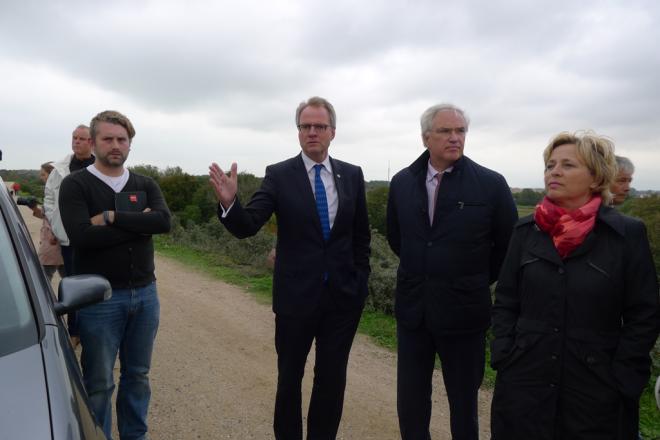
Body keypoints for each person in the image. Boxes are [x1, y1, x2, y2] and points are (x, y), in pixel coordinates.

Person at [209, 96, 371, 440]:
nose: (312, 132)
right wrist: (229, 203)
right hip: (296, 298)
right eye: (305, 126)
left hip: (342, 299)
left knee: (331, 379)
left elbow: (361, 237)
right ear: (298, 132)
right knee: (289, 379)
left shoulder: (352, 175)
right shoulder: (280, 175)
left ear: (333, 132)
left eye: (319, 126)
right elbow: (248, 224)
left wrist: (360, 282)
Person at [490, 131, 660, 439]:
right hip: (525, 379)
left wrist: (625, 375)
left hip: (596, 387)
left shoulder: (625, 235)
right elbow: (506, 298)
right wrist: (504, 352)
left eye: (568, 165)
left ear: (596, 178)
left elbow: (644, 314)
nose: (554, 171)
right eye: (550, 165)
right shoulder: (526, 231)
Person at [386, 103, 517, 439]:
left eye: (460, 131)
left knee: (463, 403)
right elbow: (397, 237)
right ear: (426, 137)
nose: (455, 138)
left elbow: (507, 247)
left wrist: (468, 280)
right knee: (411, 401)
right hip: (414, 311)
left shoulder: (490, 184)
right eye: (446, 131)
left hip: (464, 313)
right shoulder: (402, 183)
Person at [59, 110, 171, 440]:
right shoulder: (75, 185)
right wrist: (140, 226)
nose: (115, 145)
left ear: (130, 144)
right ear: (93, 143)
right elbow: (81, 236)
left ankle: (135, 436)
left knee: (138, 376)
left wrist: (109, 216)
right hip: (99, 298)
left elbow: (163, 222)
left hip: (145, 294)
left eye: (122, 139)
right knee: (98, 382)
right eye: (107, 139)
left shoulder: (144, 184)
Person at [43, 124, 95, 340]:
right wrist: (55, 226)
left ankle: (93, 329)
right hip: (68, 238)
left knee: (95, 282)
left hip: (95, 237)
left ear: (91, 142)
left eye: (82, 138)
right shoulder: (60, 169)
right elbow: (49, 199)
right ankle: (74, 332)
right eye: (74, 137)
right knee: (73, 283)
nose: (76, 142)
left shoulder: (100, 167)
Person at [30, 162, 65, 281]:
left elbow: (61, 217)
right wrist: (34, 208)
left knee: (42, 280)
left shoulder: (59, 192)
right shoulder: (50, 191)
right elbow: (47, 216)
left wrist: (55, 234)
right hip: (53, 242)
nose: (41, 177)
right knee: (68, 277)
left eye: (43, 174)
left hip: (53, 242)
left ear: (52, 175)